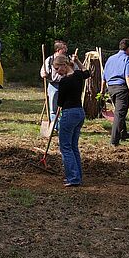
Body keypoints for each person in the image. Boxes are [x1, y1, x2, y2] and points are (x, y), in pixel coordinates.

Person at [54, 54, 90, 187]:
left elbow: (60, 102)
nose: (57, 72)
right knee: (73, 146)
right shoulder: (78, 75)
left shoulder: (64, 81)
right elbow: (87, 72)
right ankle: (77, 176)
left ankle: (73, 178)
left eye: (57, 68)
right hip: (80, 113)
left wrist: (59, 110)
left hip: (69, 114)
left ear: (64, 65)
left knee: (66, 147)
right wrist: (78, 61)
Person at [102, 38, 129, 146]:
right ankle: (114, 141)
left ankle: (124, 133)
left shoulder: (111, 59)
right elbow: (128, 76)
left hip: (111, 88)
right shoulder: (127, 59)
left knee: (119, 111)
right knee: (119, 114)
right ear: (128, 48)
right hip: (121, 88)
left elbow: (104, 77)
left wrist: (102, 90)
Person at [40, 40, 69, 125]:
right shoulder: (50, 59)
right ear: (58, 49)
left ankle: (63, 126)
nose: (66, 50)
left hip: (66, 85)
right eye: (64, 48)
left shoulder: (68, 59)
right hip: (54, 86)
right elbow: (43, 72)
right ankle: (55, 127)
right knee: (53, 109)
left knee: (65, 108)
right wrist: (44, 74)